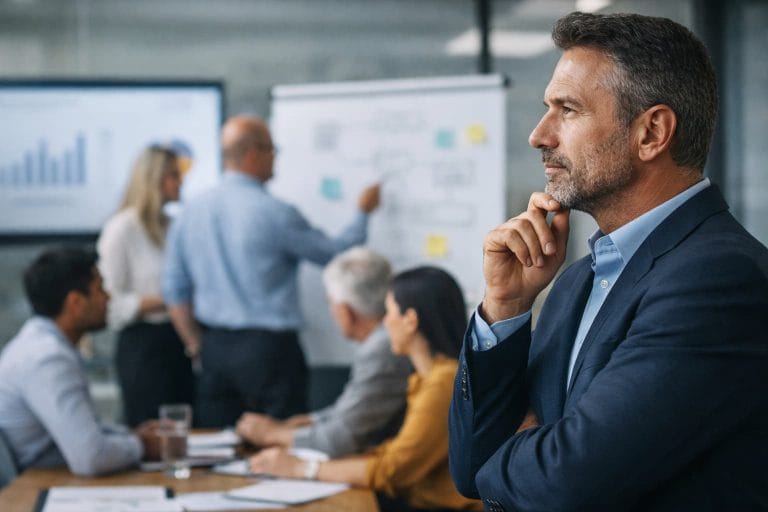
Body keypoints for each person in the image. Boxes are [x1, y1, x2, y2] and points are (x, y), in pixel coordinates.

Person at [448, 11, 768, 511]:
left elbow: (566, 484)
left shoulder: (719, 279)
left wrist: (515, 447)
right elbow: (469, 471)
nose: (539, 135)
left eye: (568, 110)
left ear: (652, 133)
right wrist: (505, 308)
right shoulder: (576, 279)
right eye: (547, 109)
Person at [163, 115, 381, 427]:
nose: (275, 158)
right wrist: (363, 212)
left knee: (216, 443)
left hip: (214, 348)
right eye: (272, 150)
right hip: (269, 353)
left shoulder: (189, 212)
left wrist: (196, 345)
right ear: (252, 153)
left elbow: (174, 290)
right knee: (282, 441)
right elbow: (335, 255)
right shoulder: (274, 212)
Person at [250, 266, 482, 512]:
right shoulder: (425, 378)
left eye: (389, 312)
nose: (385, 322)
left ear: (410, 320)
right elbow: (390, 454)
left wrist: (302, 468)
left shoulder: (442, 383)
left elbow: (392, 470)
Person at [235, 246, 412, 457]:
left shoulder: (382, 349)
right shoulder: (382, 340)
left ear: (346, 311)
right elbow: (354, 408)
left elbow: (339, 441)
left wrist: (273, 434)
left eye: (331, 304)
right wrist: (313, 421)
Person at [0, 247, 161, 476]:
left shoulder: (39, 343)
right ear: (75, 302)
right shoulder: (48, 358)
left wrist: (131, 436)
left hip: (47, 477)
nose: (108, 298)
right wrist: (143, 446)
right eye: (100, 289)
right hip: (35, 486)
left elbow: (83, 433)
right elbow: (91, 458)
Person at [97, 145, 195, 428]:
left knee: (186, 428)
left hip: (177, 340)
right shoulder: (121, 229)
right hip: (144, 347)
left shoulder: (174, 226)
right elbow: (110, 303)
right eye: (174, 175)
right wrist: (169, 299)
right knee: (153, 431)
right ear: (154, 179)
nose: (181, 182)